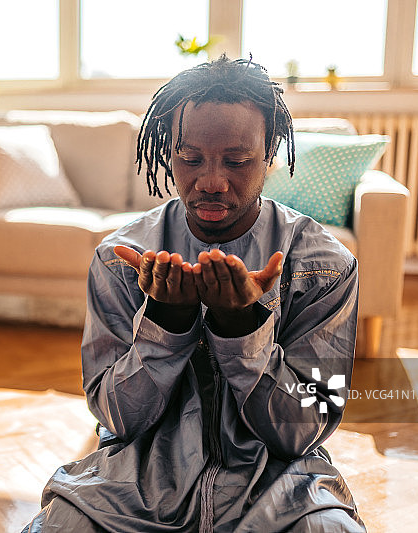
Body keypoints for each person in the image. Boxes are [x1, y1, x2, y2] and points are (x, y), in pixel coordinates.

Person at [22, 55, 365, 533]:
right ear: (167, 152)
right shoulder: (119, 260)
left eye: (237, 160)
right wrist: (166, 321)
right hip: (131, 482)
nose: (211, 182)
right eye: (190, 158)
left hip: (282, 486)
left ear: (270, 153)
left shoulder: (322, 267)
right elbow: (118, 419)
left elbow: (301, 431)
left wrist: (242, 328)